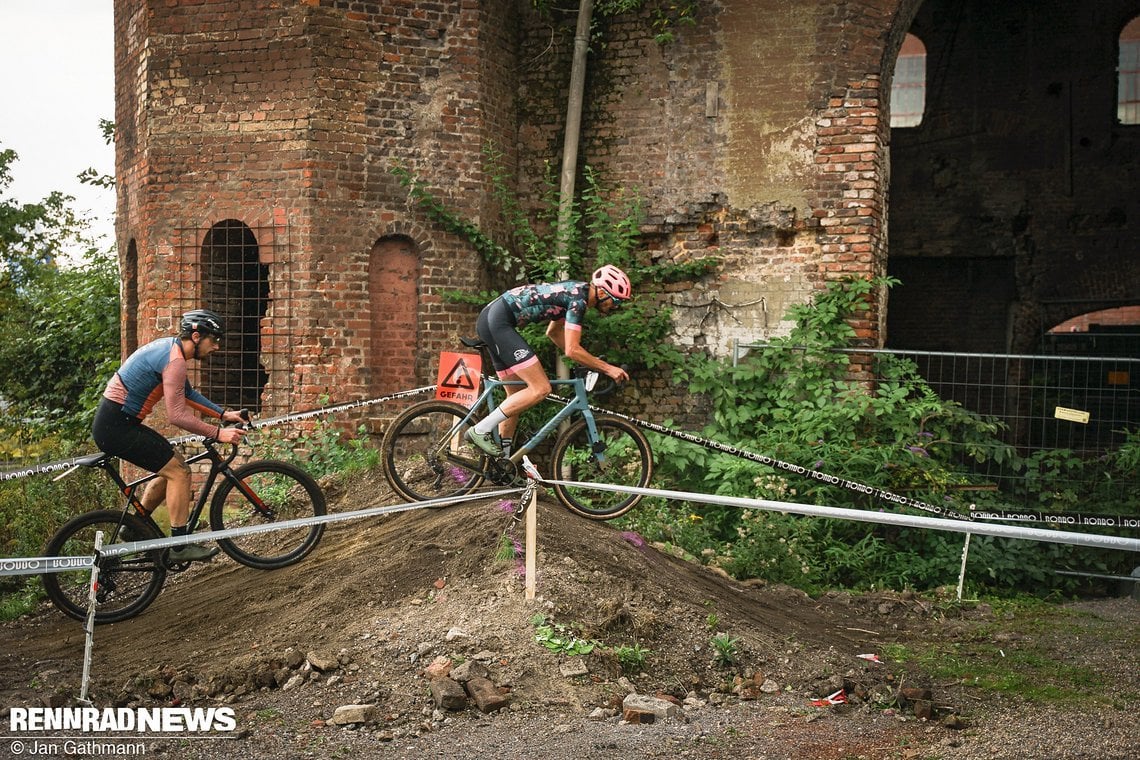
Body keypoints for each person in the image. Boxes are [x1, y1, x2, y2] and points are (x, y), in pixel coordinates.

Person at [91, 308, 248, 561]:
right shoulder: (174, 360)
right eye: (214, 339)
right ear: (196, 337)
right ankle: (179, 546)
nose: (216, 346)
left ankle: (133, 529)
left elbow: (187, 394)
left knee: (172, 463)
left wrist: (223, 415)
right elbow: (177, 416)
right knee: (179, 472)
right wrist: (218, 433)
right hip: (117, 427)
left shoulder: (171, 350)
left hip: (117, 423)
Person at [466, 265, 632, 457]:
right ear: (602, 292)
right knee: (541, 388)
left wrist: (586, 362)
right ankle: (480, 430)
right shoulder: (579, 301)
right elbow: (572, 349)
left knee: (516, 398)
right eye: (615, 301)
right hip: (499, 322)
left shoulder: (575, 291)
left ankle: (502, 462)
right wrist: (608, 368)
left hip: (491, 318)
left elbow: (553, 333)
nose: (615, 307)